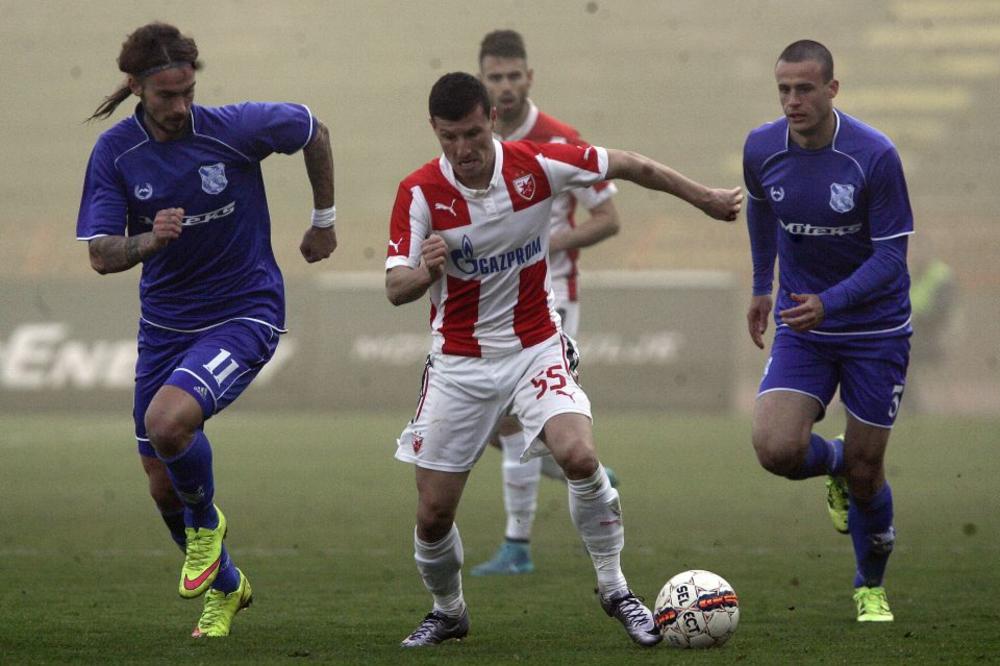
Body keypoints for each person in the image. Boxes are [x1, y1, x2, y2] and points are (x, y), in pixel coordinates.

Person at [386, 72, 741, 648]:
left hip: (535, 345)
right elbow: (397, 287)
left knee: (578, 454)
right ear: (434, 130)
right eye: (449, 137)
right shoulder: (420, 193)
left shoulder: (537, 164)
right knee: (432, 516)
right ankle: (448, 611)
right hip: (459, 362)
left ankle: (615, 589)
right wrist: (426, 269)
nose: (462, 149)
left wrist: (702, 197)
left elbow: (629, 164)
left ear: (492, 122)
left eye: (472, 133)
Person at [76, 22, 337, 638]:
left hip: (245, 313)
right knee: (159, 481)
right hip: (165, 327)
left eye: (187, 91)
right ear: (137, 87)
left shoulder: (236, 128)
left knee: (168, 424)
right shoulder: (117, 154)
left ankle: (205, 526)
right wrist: (150, 239)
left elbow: (312, 131)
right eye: (166, 95)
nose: (180, 106)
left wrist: (323, 220)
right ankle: (226, 587)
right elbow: (101, 254)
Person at [743, 40, 913, 623]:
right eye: (784, 90)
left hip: (876, 329)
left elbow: (892, 258)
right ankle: (834, 461)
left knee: (870, 476)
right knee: (775, 448)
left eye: (805, 89)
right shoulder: (761, 148)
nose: (793, 101)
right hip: (803, 324)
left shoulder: (874, 156)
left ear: (832, 89)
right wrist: (762, 285)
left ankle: (870, 586)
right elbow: (761, 209)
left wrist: (831, 302)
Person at [471, 30, 622, 577]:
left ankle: (517, 546)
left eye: (514, 76)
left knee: (513, 419)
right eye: (496, 77)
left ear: (529, 78)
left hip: (551, 300)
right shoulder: (474, 138)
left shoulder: (559, 139)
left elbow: (608, 217)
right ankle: (586, 471)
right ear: (482, 79)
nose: (506, 87)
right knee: (484, 426)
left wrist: (545, 242)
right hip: (489, 304)